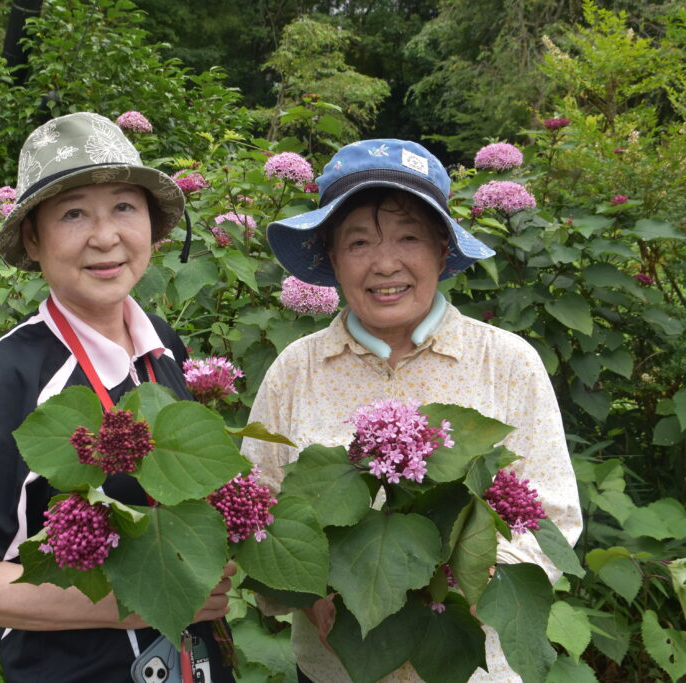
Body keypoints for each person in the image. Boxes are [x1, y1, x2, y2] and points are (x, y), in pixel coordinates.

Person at [242, 139, 583, 682]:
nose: (384, 263)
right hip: (336, 667)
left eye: (409, 237)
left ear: (443, 250)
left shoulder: (507, 363)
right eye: (358, 242)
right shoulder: (296, 369)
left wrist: (474, 580)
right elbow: (255, 512)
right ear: (331, 256)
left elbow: (553, 514)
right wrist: (309, 592)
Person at [0, 112, 236, 682]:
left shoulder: (161, 343)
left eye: (123, 206)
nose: (105, 236)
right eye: (73, 213)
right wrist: (130, 604)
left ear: (152, 225)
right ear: (33, 239)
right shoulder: (11, 376)